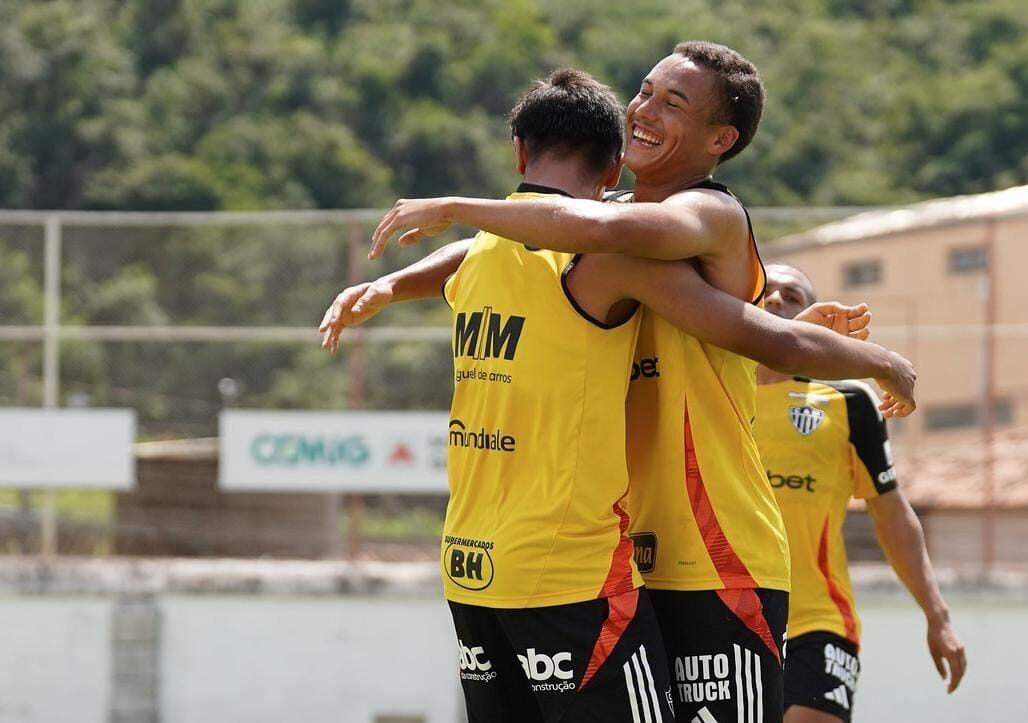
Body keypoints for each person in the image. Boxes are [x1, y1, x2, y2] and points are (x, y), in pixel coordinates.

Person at [322, 66, 916, 723]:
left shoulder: (704, 213)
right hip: (629, 551)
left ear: (719, 138)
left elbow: (764, 338)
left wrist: (877, 360)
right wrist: (392, 285)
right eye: (644, 92)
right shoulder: (593, 227)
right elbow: (496, 244)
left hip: (714, 553)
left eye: (673, 102)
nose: (645, 109)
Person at [752, 264, 966, 722]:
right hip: (726, 614)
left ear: (820, 315)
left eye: (792, 295)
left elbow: (890, 513)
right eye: (765, 292)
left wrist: (937, 616)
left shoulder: (849, 400)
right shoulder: (714, 390)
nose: (775, 301)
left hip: (816, 622)